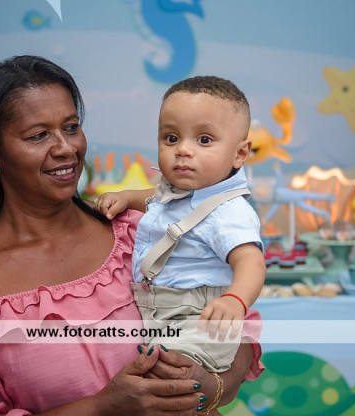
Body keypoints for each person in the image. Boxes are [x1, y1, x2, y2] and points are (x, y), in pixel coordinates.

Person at [0, 56, 263, 415]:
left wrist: (209, 387)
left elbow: (237, 327)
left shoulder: (138, 230)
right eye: (38, 135)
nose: (66, 148)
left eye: (71, 127)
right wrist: (103, 407)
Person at [95, 75, 266, 374]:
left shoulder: (228, 212)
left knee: (167, 376)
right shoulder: (180, 193)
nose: (182, 150)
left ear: (239, 153)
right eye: (171, 138)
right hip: (161, 315)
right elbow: (155, 199)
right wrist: (126, 197)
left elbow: (251, 261)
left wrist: (235, 300)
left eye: (204, 140)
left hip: (198, 320)